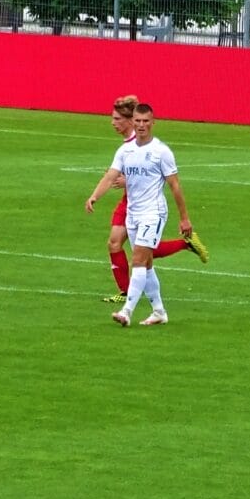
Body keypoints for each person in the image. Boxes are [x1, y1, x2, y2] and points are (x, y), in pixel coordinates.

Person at [86, 103, 194, 326]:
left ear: (153, 123)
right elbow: (110, 176)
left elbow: (174, 185)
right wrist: (95, 196)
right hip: (133, 214)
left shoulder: (161, 152)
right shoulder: (125, 150)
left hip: (153, 213)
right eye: (138, 121)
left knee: (137, 259)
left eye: (146, 121)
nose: (142, 125)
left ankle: (127, 311)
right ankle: (159, 311)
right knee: (146, 264)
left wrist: (184, 218)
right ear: (133, 122)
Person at [97, 94, 207, 302]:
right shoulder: (127, 145)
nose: (113, 123)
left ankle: (183, 245)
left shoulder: (144, 144)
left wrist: (126, 181)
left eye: (117, 119)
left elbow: (153, 177)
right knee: (116, 244)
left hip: (142, 205)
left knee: (142, 252)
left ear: (131, 121)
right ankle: (129, 293)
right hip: (128, 202)